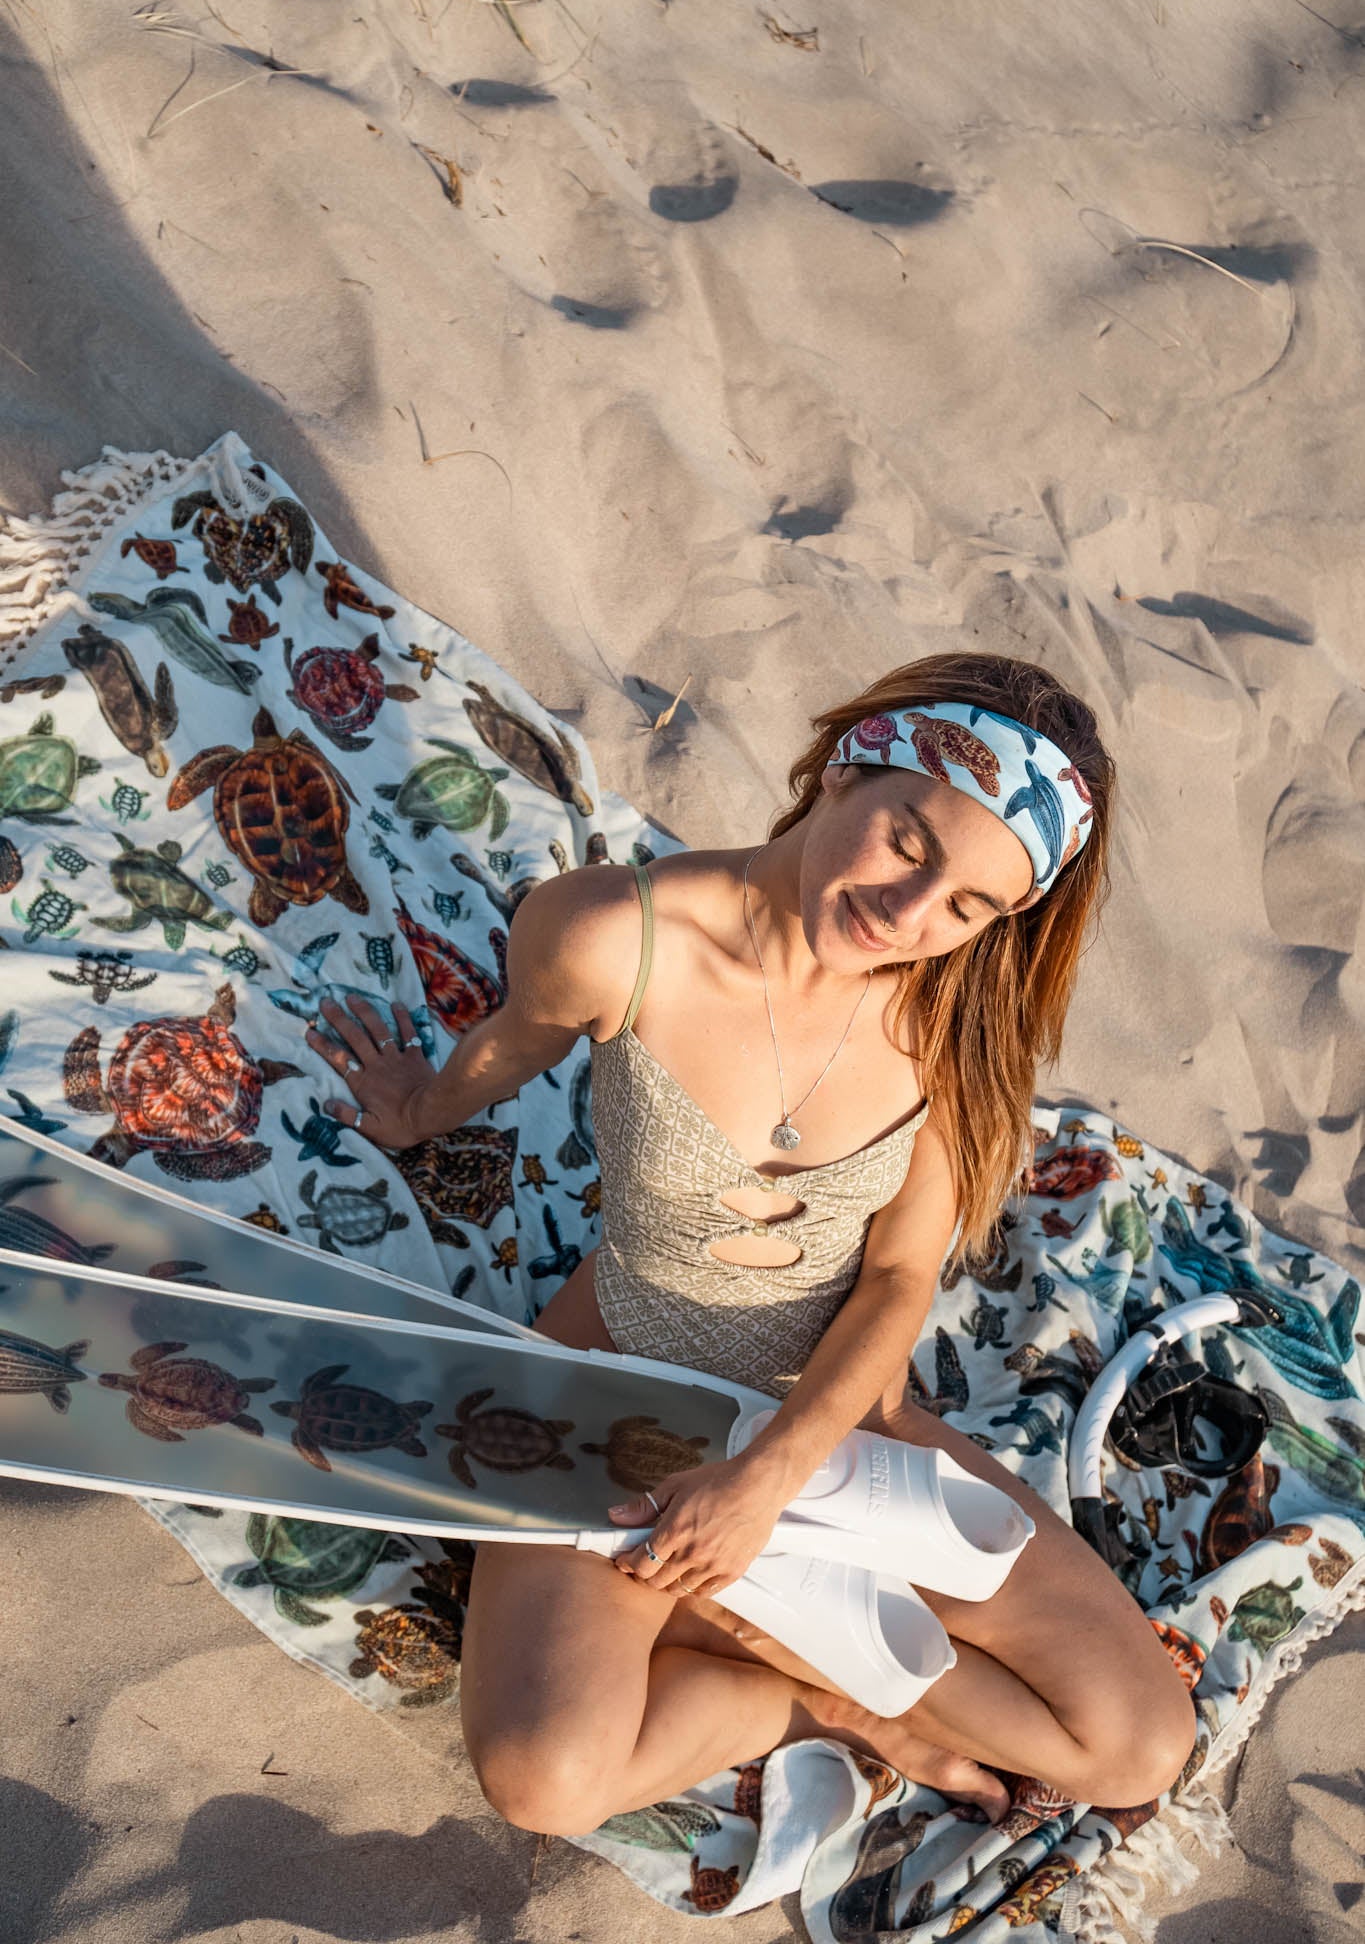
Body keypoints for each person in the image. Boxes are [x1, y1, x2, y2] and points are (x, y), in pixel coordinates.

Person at [305, 651, 1196, 1831]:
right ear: (846, 766)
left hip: (834, 1422)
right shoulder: (612, 933)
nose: (909, 914)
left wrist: (765, 1483)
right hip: (616, 1386)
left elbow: (894, 1276)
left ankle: (761, 1617)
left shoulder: (951, 1020)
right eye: (909, 842)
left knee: (1135, 1746)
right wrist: (415, 1107)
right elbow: (511, 1043)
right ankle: (844, 1707)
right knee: (542, 1779)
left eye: (968, 906)